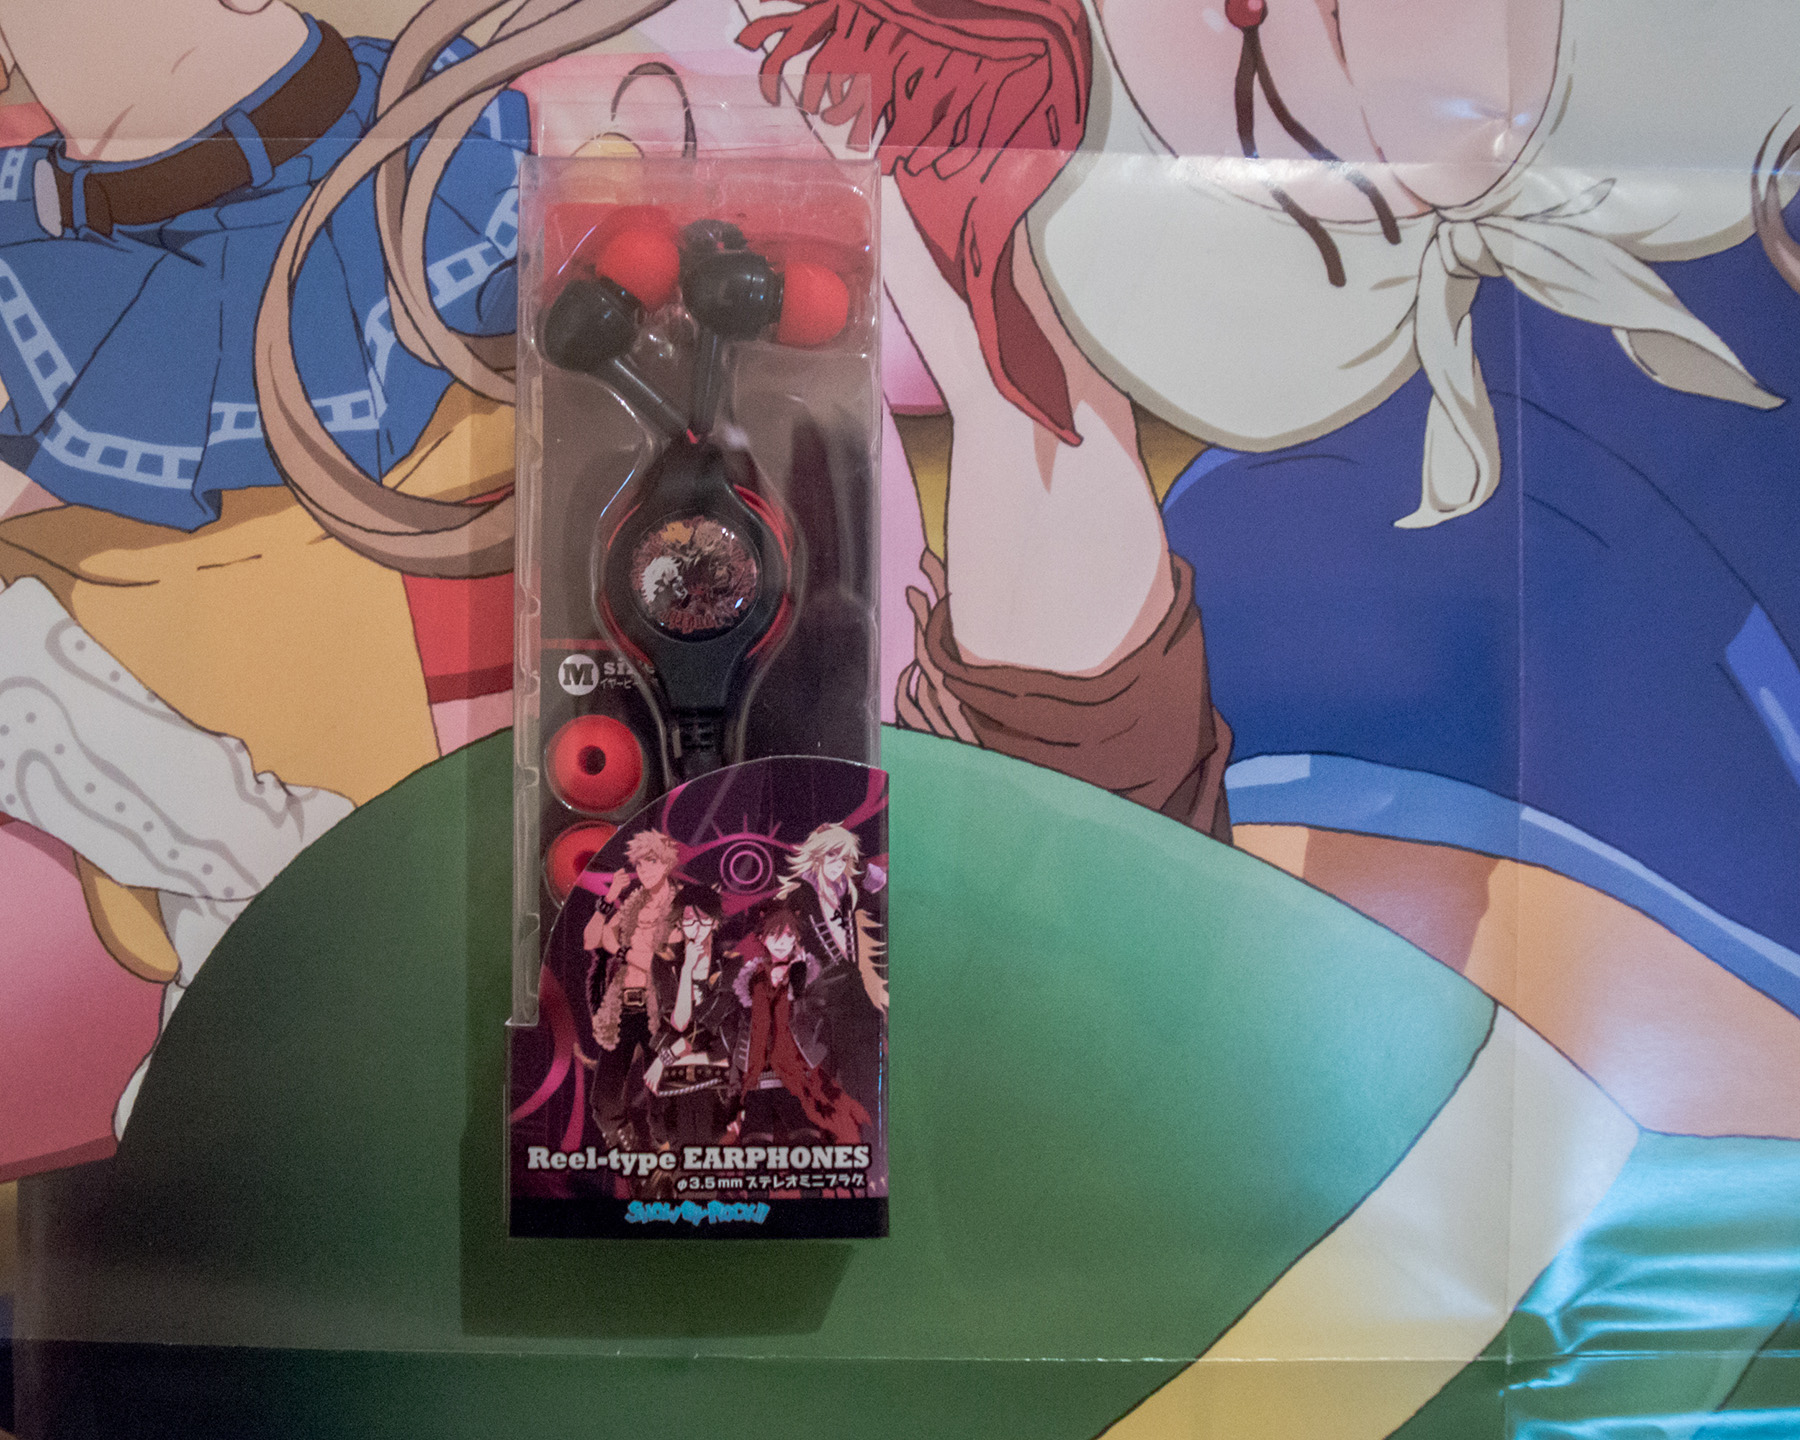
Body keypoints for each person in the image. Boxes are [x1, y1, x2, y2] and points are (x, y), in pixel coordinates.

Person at [0, 0, 670, 1134]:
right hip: (92, 243)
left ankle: (265, 923)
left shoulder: (443, 187)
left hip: (332, 208)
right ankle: (251, 865)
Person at [729, 904, 867, 1147]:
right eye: (774, 934)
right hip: (757, 1083)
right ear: (762, 938)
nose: (782, 942)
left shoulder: (810, 977)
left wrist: (797, 984)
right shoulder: (753, 981)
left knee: (807, 1149)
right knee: (754, 1153)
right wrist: (734, 1102)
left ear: (797, 938)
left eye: (789, 934)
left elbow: (820, 1030)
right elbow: (743, 1040)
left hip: (800, 1082)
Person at [583, 826, 679, 1148]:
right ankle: (631, 1157)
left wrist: (623, 951)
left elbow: (660, 961)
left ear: (667, 863)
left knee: (663, 1098)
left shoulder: (678, 907)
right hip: (624, 1008)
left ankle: (668, 1157)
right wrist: (610, 898)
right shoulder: (634, 903)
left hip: (659, 1012)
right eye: (640, 863)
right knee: (604, 1099)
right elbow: (591, 940)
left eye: (652, 861)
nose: (645, 870)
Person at [644, 882, 738, 1151]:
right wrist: (686, 971)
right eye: (688, 920)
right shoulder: (664, 963)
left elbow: (716, 1026)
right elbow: (678, 1022)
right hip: (677, 1083)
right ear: (679, 923)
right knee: (679, 1151)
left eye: (703, 919)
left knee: (712, 1151)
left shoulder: (730, 964)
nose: (696, 927)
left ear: (715, 922)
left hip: (716, 1079)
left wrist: (669, 1054)